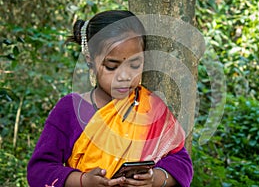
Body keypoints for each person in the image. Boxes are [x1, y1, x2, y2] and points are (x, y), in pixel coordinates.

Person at [27, 10, 193, 187]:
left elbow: (182, 163)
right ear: (90, 60)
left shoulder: (151, 109)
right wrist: (82, 181)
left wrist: (155, 179)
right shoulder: (70, 110)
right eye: (111, 66)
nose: (124, 76)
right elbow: (39, 170)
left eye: (135, 65)